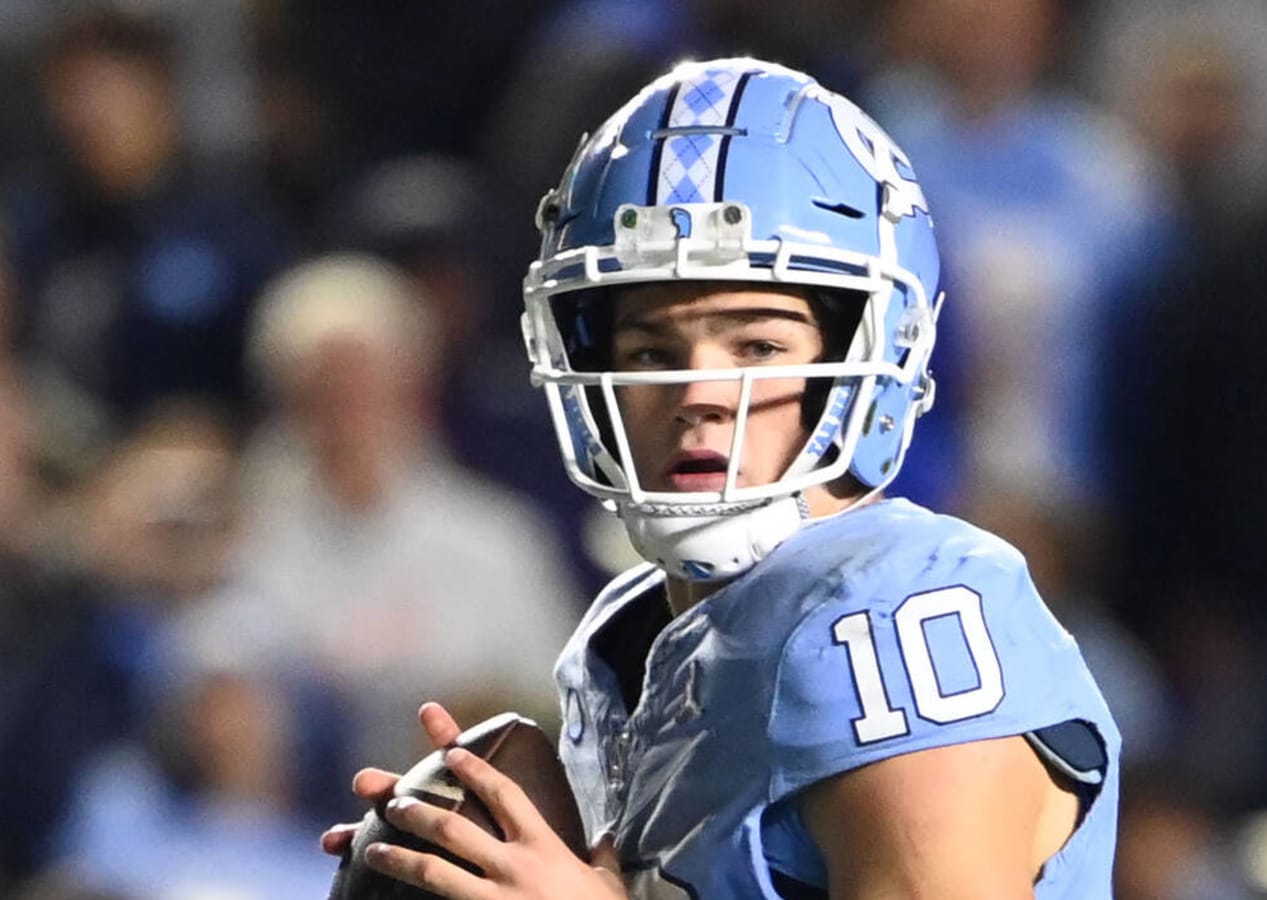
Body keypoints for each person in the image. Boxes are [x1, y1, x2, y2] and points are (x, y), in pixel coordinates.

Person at [322, 57, 1121, 898]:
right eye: (651, 353)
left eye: (758, 345)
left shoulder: (894, 616)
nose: (699, 393)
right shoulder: (634, 639)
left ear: (869, 361)